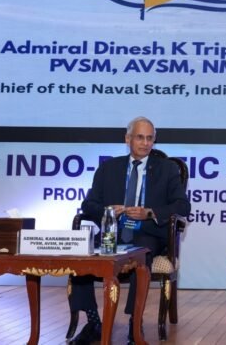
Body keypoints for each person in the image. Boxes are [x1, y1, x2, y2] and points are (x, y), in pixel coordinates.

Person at [68, 116, 191, 345]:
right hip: (112, 233)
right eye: (140, 137)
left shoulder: (168, 169)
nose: (145, 143)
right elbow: (88, 205)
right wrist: (107, 211)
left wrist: (150, 212)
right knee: (81, 257)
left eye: (150, 138)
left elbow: (183, 206)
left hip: (148, 234)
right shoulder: (108, 168)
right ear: (127, 139)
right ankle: (93, 322)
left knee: (140, 254)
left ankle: (135, 324)